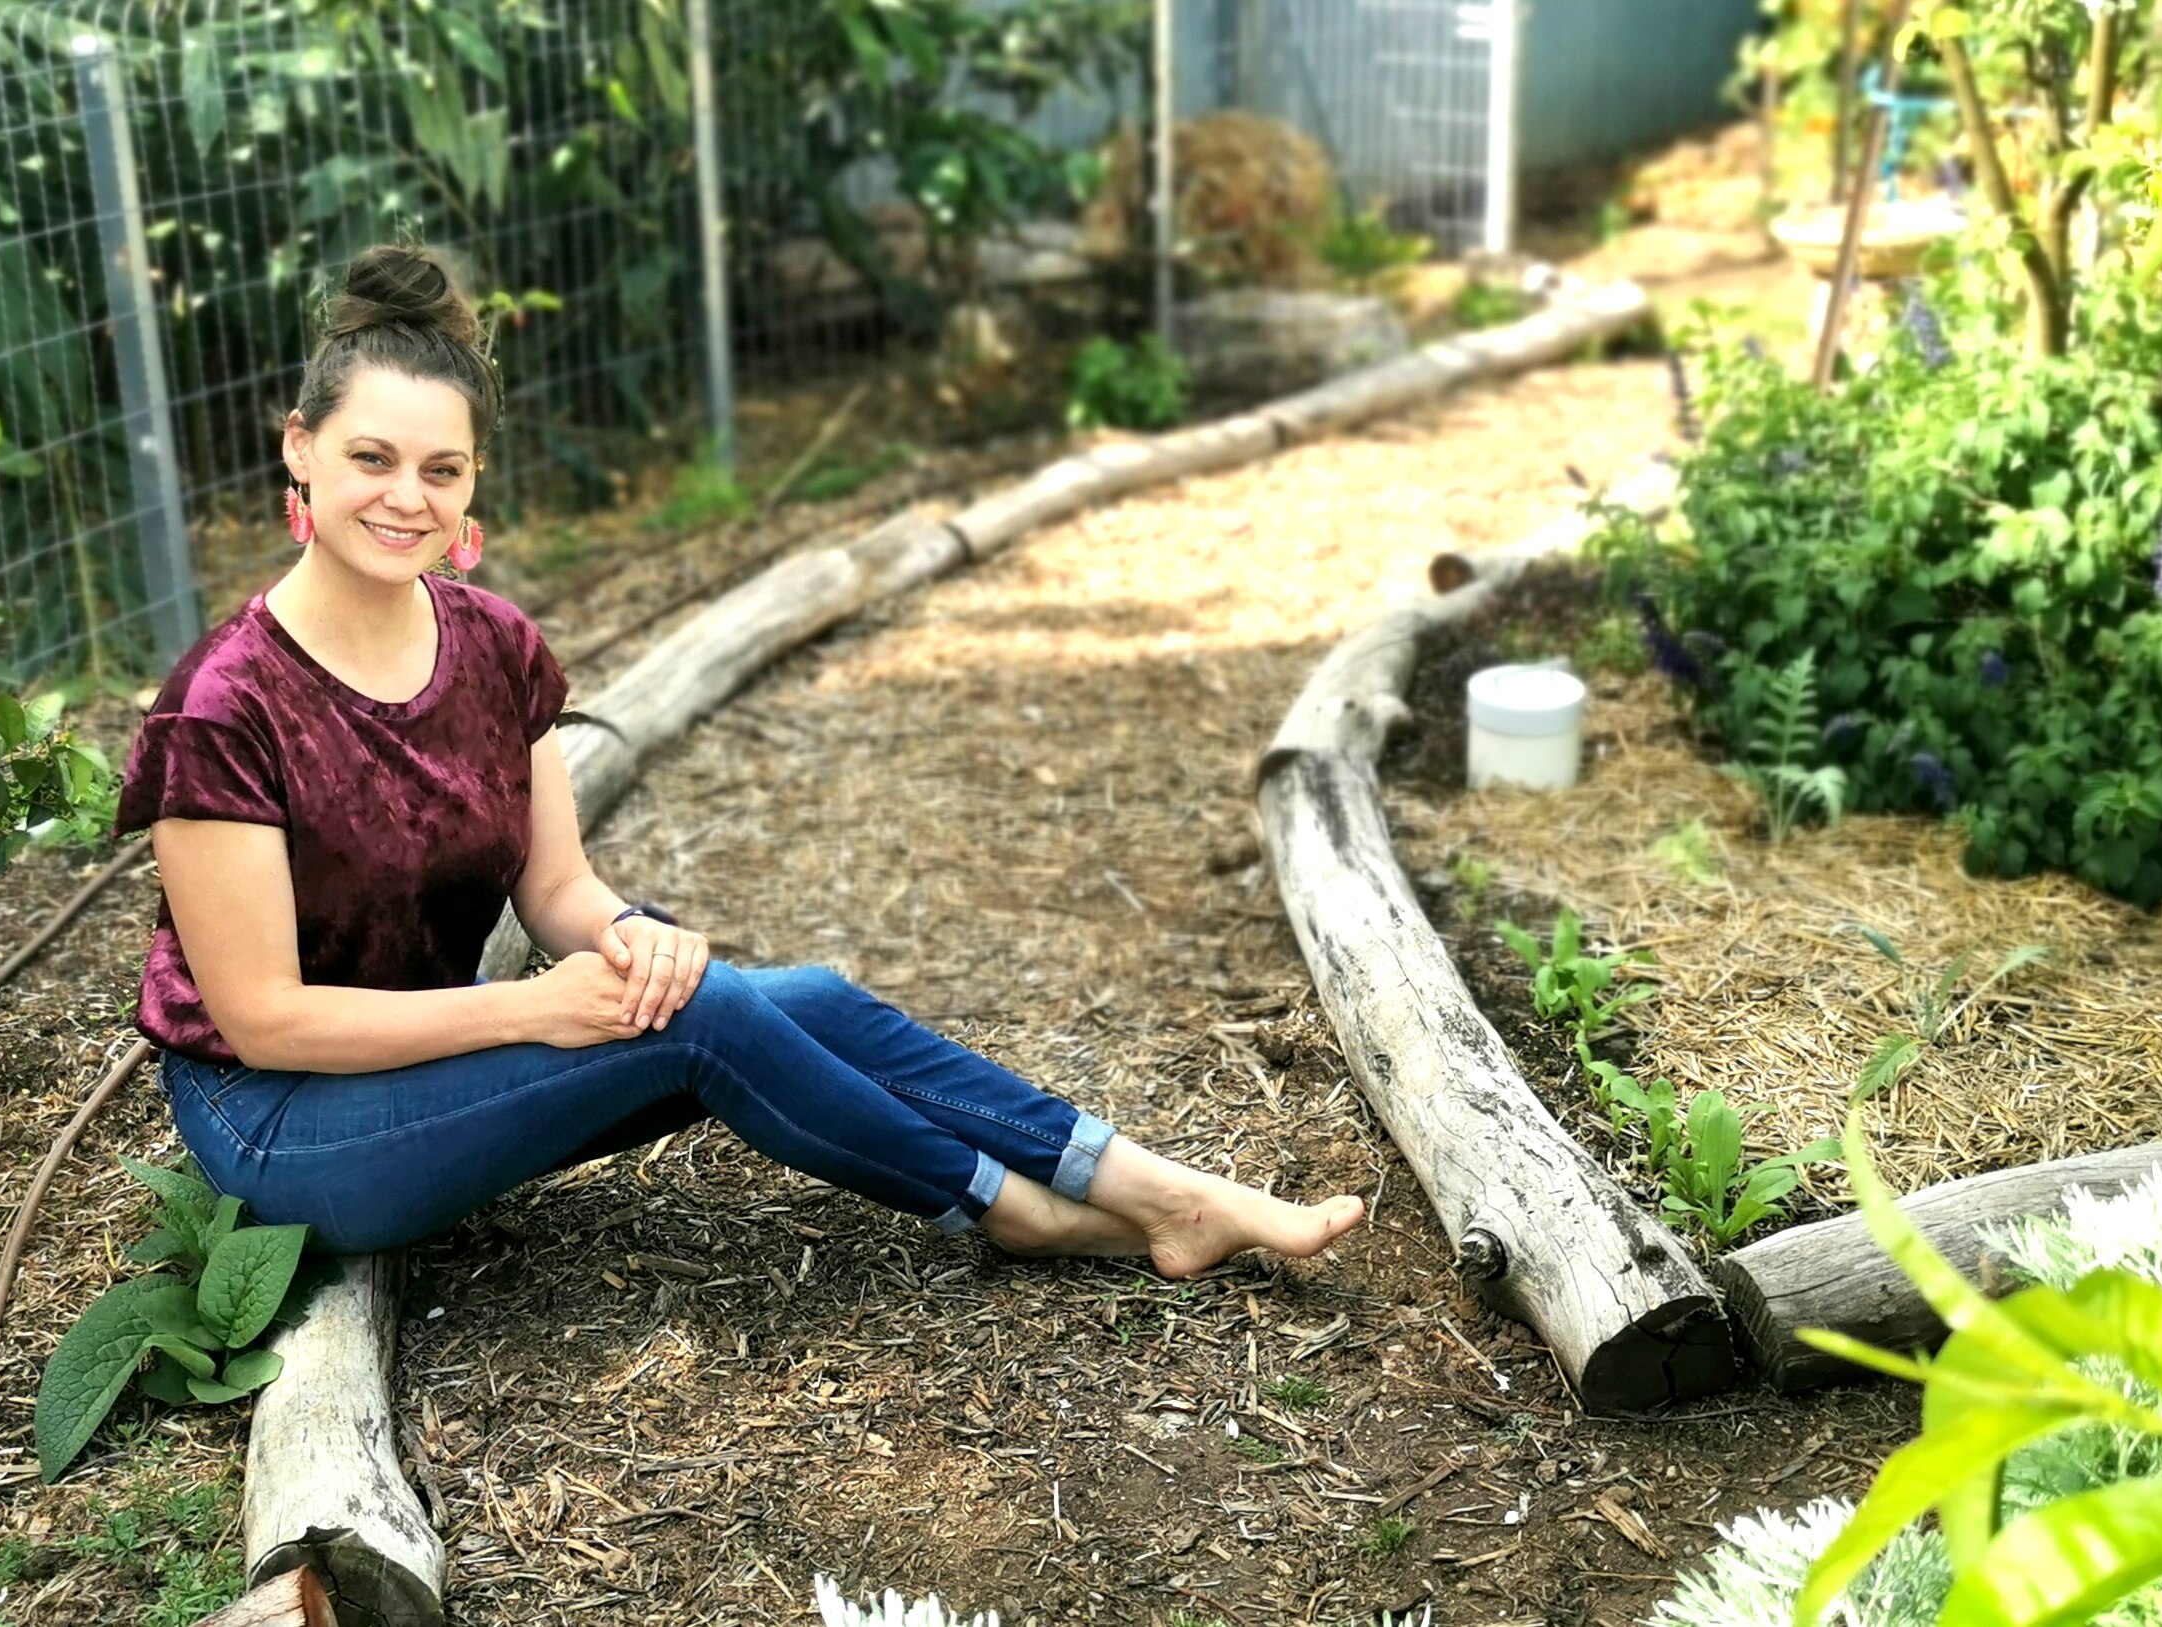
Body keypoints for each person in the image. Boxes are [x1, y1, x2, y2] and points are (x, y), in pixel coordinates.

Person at [119, 244, 1368, 1275]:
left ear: (474, 482)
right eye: (371, 459)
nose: (408, 497)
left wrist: (628, 939)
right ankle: (1017, 1211)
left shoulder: (493, 645)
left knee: (798, 996)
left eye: (440, 469)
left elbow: (557, 890)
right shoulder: (225, 705)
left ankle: (1144, 1184)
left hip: (433, 1057)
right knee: (709, 1019)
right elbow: (265, 1019)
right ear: (301, 449)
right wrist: (535, 1008)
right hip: (281, 1124)